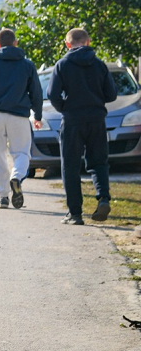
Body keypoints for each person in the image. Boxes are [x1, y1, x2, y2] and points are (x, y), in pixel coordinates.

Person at [47, 28, 117, 225]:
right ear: (88, 41)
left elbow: (52, 94)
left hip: (72, 121)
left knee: (70, 166)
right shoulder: (99, 64)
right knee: (99, 162)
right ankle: (103, 198)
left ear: (68, 44)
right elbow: (111, 95)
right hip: (96, 119)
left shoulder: (62, 65)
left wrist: (65, 108)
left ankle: (75, 213)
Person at [0, 29, 44, 209]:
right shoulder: (27, 65)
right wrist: (37, 115)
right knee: (22, 152)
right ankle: (17, 175)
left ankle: (3, 197)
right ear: (16, 43)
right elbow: (36, 92)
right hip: (20, 116)